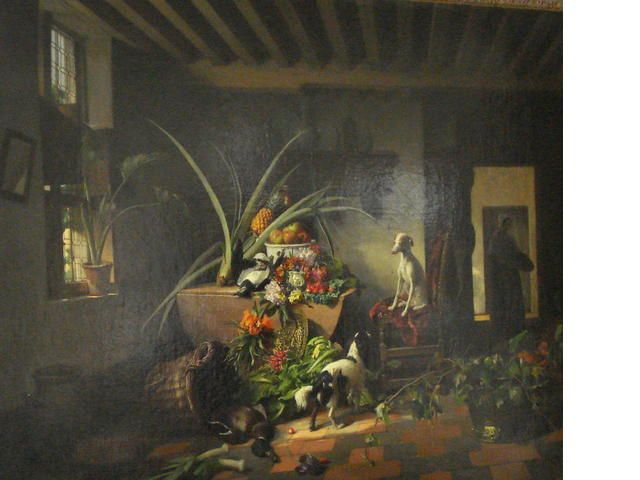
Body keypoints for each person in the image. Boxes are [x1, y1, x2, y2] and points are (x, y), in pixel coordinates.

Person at [487, 216, 534, 345]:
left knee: (513, 306)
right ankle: (506, 338)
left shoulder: (507, 238)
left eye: (509, 224)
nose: (509, 226)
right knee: (506, 306)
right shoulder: (497, 239)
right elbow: (498, 258)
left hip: (510, 277)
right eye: (507, 224)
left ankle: (513, 336)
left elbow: (516, 256)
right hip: (502, 279)